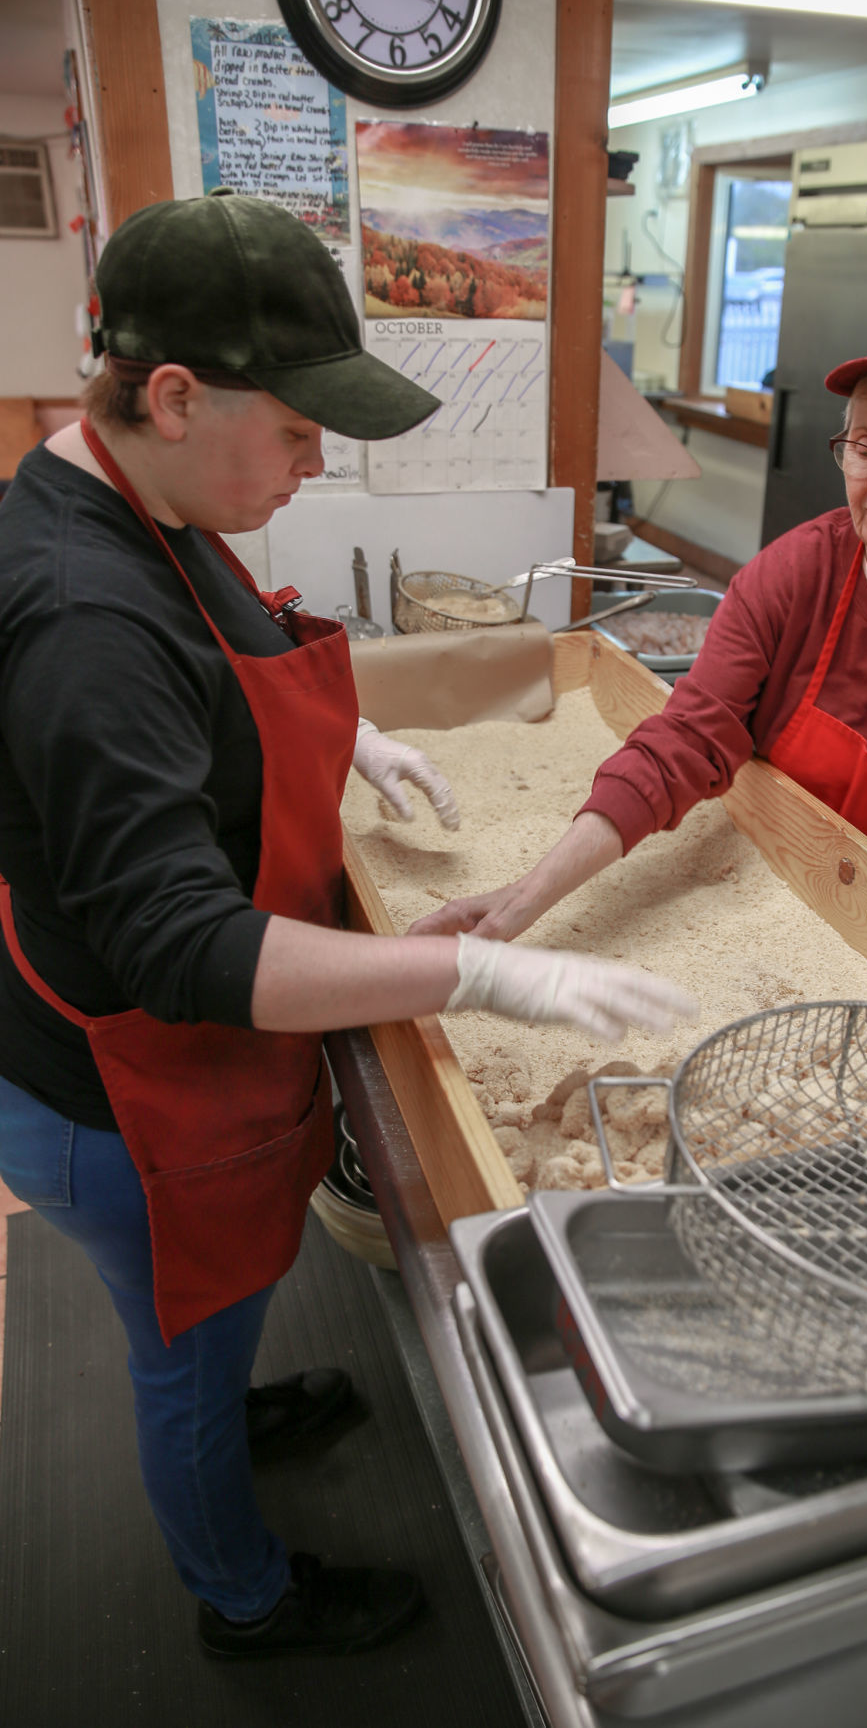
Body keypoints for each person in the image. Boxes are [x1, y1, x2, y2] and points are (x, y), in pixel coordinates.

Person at [0, 189, 692, 1660]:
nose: (314, 467)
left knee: (212, 1315)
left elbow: (231, 671)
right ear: (173, 393)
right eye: (299, 432)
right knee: (176, 1343)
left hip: (165, 1048)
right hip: (118, 1087)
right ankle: (244, 1594)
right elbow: (184, 947)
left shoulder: (150, 492)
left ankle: (228, 1372)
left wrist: (348, 743)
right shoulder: (79, 610)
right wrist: (479, 968)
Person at [411, 324, 867, 956]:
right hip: (783, 902)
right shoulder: (791, 576)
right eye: (863, 450)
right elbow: (680, 744)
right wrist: (523, 899)